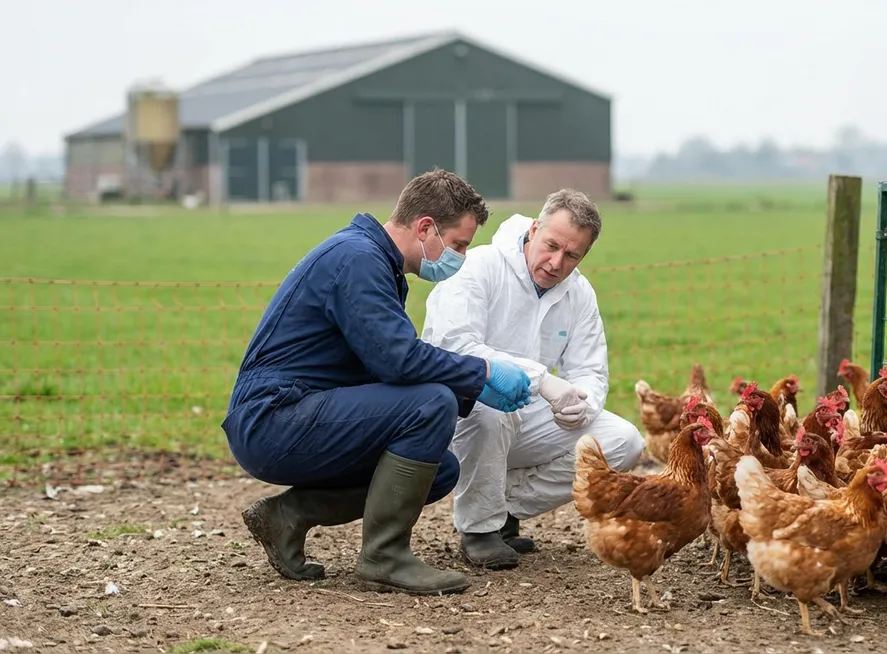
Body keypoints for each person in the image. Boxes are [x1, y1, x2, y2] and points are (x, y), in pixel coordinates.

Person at [221, 169, 533, 597]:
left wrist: (469, 390)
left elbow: (384, 366)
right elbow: (399, 360)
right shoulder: (359, 260)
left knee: (440, 471)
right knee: (431, 404)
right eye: (458, 244)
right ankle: (384, 558)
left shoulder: (372, 259)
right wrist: (481, 374)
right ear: (425, 227)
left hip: (294, 413)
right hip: (275, 419)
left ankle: (288, 515)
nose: (460, 257)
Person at [421, 188, 645, 570]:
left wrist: (583, 403)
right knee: (492, 409)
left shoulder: (579, 294)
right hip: (459, 411)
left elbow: (590, 369)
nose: (556, 262)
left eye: (571, 255)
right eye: (551, 245)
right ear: (535, 229)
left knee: (624, 443)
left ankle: (502, 508)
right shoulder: (479, 267)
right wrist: (542, 379)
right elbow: (456, 346)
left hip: (530, 413)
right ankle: (478, 529)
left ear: (584, 255)